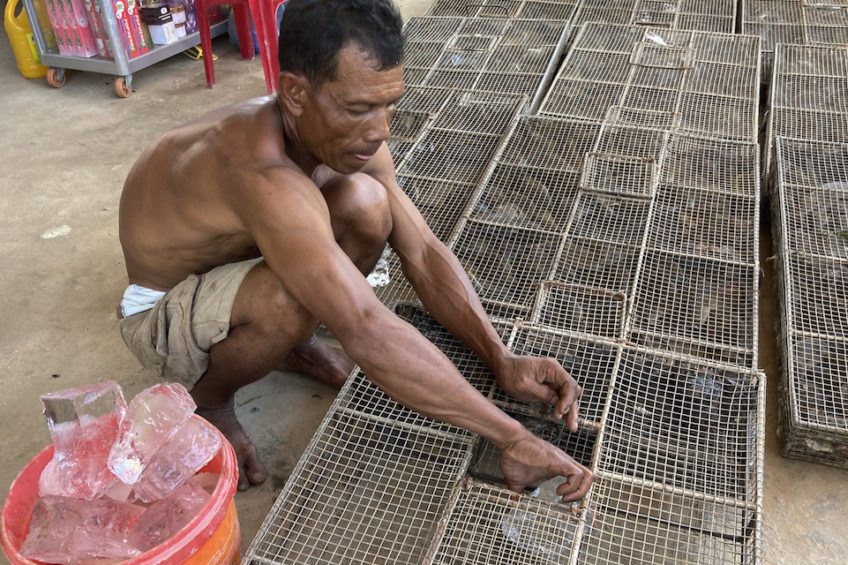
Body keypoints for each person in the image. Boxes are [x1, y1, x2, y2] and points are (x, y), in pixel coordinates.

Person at [117, 0, 593, 500]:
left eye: (389, 104)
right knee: (292, 294)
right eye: (360, 107)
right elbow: (364, 326)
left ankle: (289, 343)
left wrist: (500, 356)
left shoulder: (348, 137)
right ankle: (211, 400)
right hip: (159, 309)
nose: (381, 129)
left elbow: (424, 253)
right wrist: (511, 437)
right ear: (296, 94)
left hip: (241, 258)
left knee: (369, 202)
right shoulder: (262, 173)